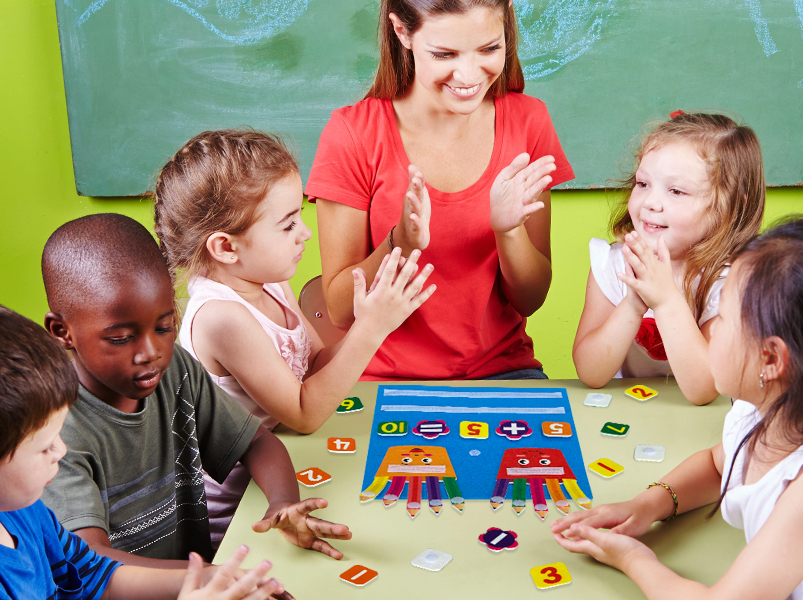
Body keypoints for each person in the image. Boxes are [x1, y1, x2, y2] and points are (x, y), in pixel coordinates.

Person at [552, 219, 803, 600]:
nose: (710, 330)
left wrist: (633, 557)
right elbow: (717, 465)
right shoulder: (764, 412)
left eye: (722, 319)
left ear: (771, 359)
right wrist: (649, 505)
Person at [153, 129, 434, 545]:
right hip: (244, 518)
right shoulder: (221, 317)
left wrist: (375, 314)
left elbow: (315, 365)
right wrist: (371, 330)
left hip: (288, 470)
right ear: (226, 247)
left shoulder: (268, 282)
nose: (305, 233)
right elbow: (304, 413)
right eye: (287, 225)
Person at [39, 213, 351, 567]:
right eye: (121, 338)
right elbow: (92, 562)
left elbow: (257, 441)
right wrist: (209, 577)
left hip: (196, 578)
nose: (151, 352)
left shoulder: (175, 370)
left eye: (164, 327)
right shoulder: (52, 434)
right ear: (62, 332)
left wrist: (283, 503)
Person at [306, 0, 575, 380]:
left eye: (489, 48)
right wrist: (400, 243)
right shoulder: (353, 133)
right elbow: (339, 310)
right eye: (444, 54)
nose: (468, 75)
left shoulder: (529, 121)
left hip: (502, 372)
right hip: (379, 378)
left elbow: (531, 300)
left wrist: (509, 231)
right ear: (402, 32)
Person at [0, 304, 286, 600]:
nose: (60, 450)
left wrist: (207, 577)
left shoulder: (26, 511)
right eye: (45, 446)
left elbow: (97, 576)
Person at [572, 111, 765, 404]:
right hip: (631, 412)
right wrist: (632, 305)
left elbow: (703, 390)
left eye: (676, 191)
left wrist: (665, 300)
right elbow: (590, 372)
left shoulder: (729, 280)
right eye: (643, 184)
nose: (651, 202)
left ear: (728, 208)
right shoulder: (613, 264)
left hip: (702, 422)